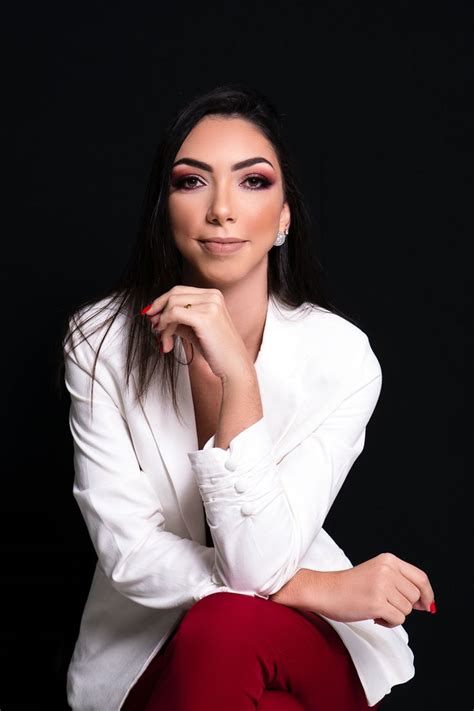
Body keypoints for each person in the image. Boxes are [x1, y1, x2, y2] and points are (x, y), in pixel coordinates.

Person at [59, 83, 436, 711]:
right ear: (164, 208)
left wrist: (239, 375)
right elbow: (127, 554)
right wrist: (317, 585)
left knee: (228, 627)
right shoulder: (100, 342)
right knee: (233, 650)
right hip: (147, 651)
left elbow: (255, 566)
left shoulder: (340, 357)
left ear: (285, 216)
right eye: (192, 182)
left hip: (295, 647)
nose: (222, 211)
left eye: (253, 182)